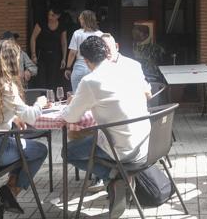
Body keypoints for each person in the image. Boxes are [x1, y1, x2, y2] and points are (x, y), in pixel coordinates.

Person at [62, 36, 151, 218]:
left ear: (86, 61)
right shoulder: (128, 71)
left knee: (68, 152)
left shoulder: (90, 81)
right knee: (91, 137)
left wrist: (70, 104)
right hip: (146, 145)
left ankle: (113, 176)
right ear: (106, 52)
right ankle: (116, 179)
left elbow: (71, 116)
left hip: (121, 150)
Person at [0, 38, 49, 215]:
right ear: (13, 61)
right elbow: (30, 116)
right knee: (38, 151)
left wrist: (12, 117)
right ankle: (11, 192)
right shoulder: (7, 85)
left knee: (22, 147)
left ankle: (8, 190)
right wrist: (40, 103)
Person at [102, 33, 152, 100]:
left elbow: (147, 95)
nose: (106, 53)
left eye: (108, 48)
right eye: (102, 51)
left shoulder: (133, 66)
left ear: (116, 47)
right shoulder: (100, 68)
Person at [64, 10, 103, 91]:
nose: (79, 20)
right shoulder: (100, 34)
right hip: (95, 66)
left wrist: (68, 68)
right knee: (94, 95)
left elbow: (72, 53)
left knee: (76, 95)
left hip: (80, 66)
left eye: (81, 18)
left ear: (85, 20)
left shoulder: (77, 33)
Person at [30, 6, 67, 89]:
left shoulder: (62, 25)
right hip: (42, 54)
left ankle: (51, 99)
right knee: (41, 79)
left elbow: (64, 43)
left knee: (53, 79)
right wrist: (33, 55)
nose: (50, 17)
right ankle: (42, 98)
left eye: (53, 15)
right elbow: (33, 38)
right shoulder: (41, 23)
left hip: (55, 55)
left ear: (58, 16)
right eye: (49, 15)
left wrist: (64, 58)